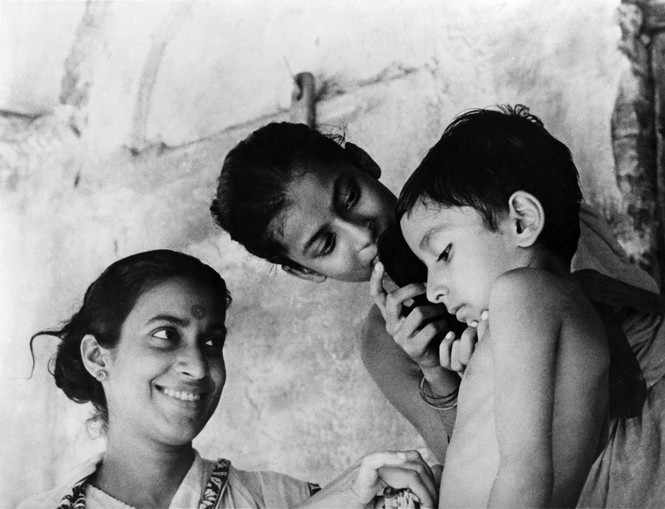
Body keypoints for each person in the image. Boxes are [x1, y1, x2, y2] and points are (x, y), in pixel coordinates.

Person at [210, 122, 664, 465]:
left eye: (349, 197)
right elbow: (468, 469)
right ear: (304, 271)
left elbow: (633, 325)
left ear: (365, 163)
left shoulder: (492, 206)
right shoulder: (386, 343)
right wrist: (438, 373)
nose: (362, 235)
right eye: (327, 245)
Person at [19, 250, 439, 509]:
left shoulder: (284, 498)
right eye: (165, 336)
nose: (199, 367)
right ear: (97, 357)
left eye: (211, 341)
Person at [396, 105, 665, 508]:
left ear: (521, 220)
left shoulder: (521, 293)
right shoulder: (539, 311)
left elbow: (526, 471)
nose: (433, 289)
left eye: (444, 253)